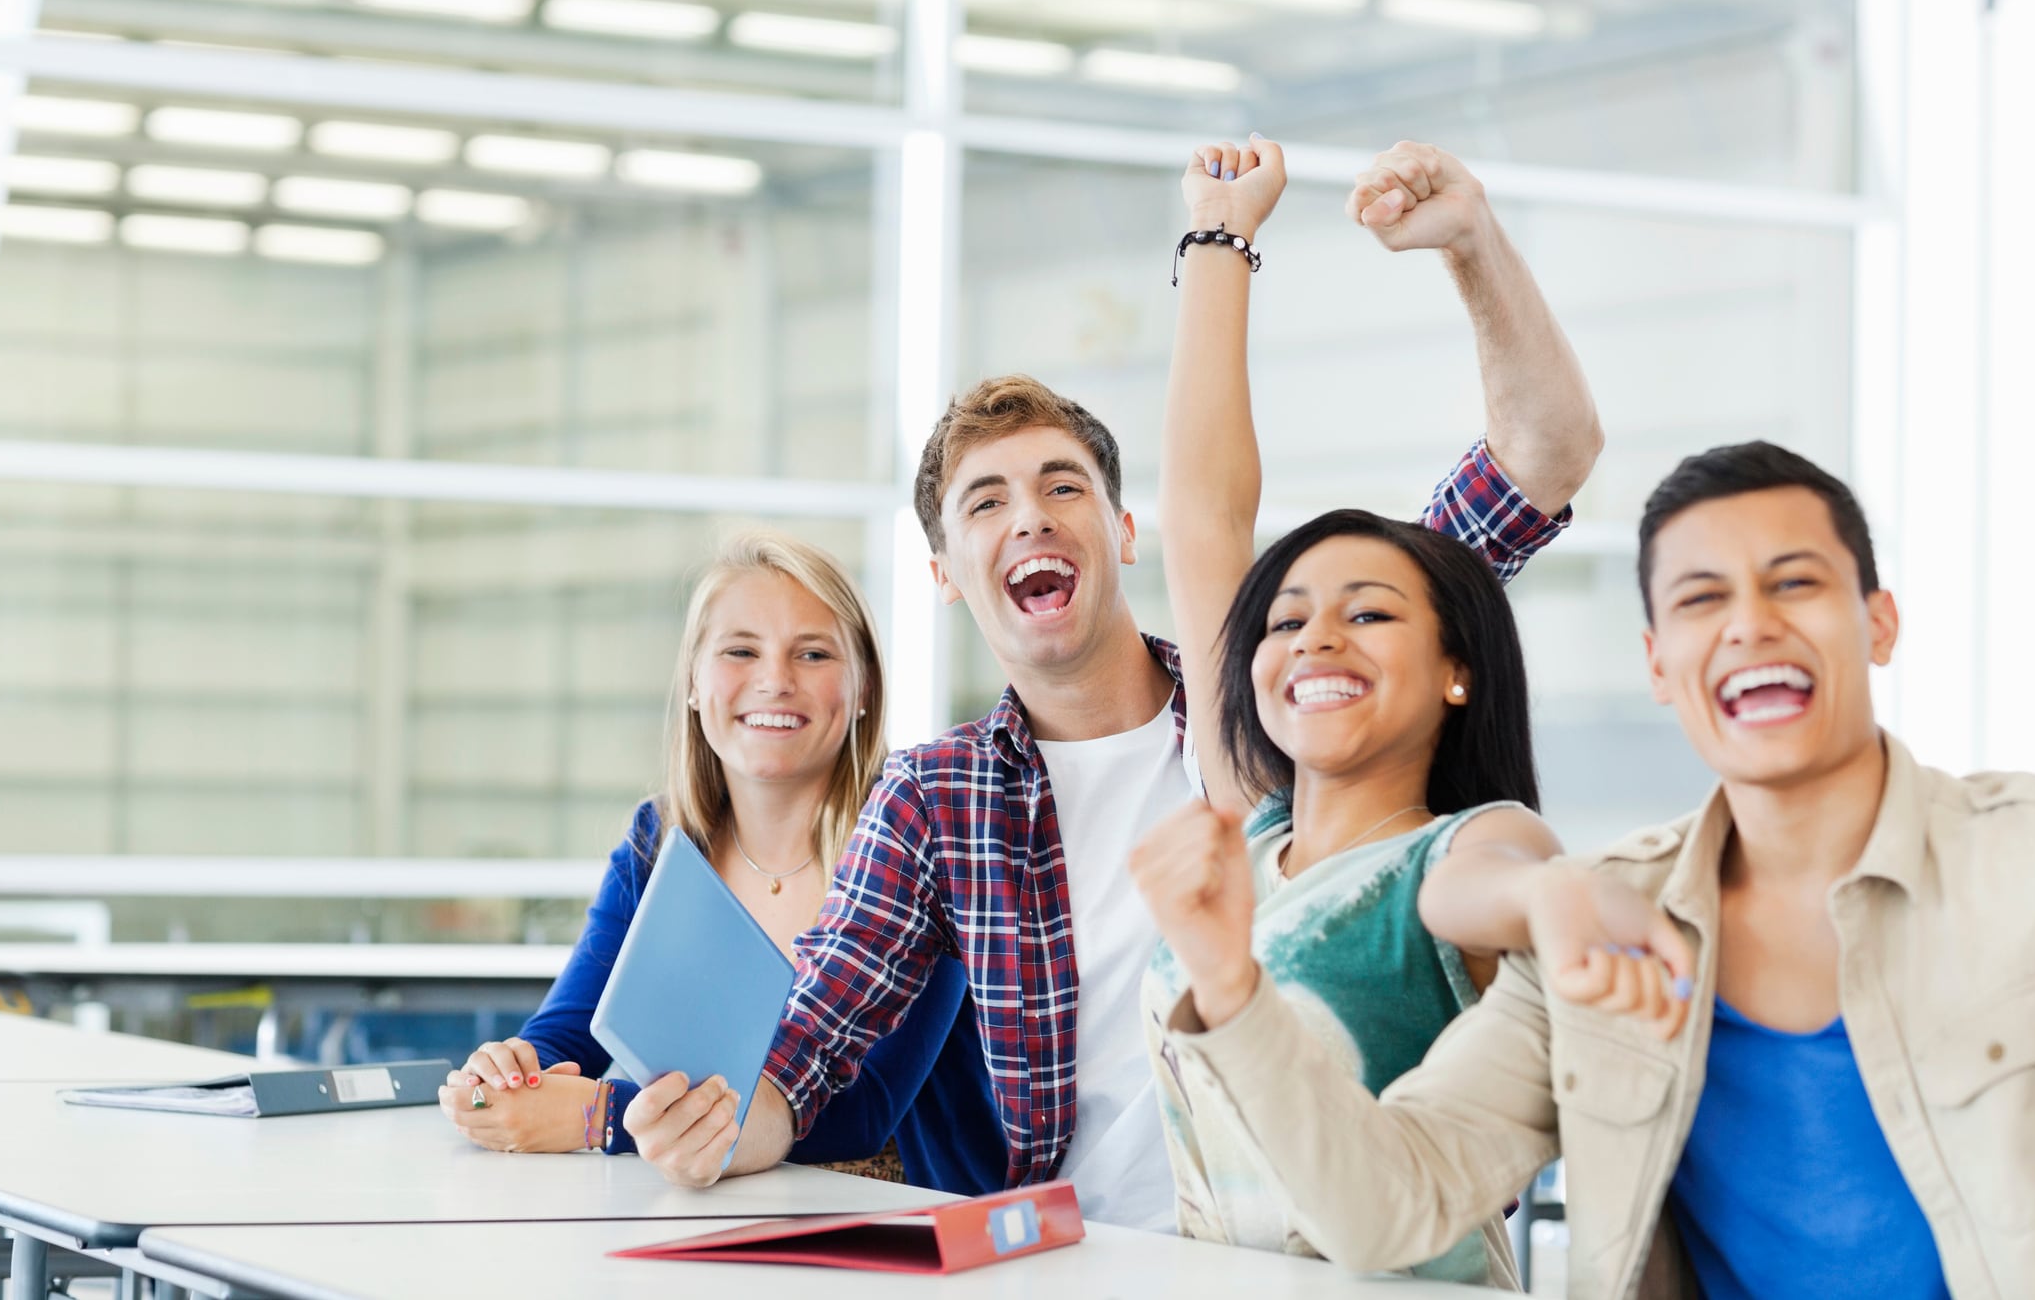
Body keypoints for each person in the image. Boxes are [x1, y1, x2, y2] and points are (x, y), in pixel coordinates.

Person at [617, 136, 1605, 1232]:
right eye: (986, 502)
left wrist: (1464, 244)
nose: (1029, 517)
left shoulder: (1286, 695)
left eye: (1062, 487)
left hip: (1326, 1248)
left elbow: (1535, 457)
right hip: (1080, 1261)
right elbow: (809, 1047)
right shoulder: (937, 798)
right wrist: (716, 1127)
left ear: (1126, 532)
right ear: (944, 574)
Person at [1144, 441, 2035, 1300]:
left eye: (1793, 584)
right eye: (1701, 599)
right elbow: (1389, 1208)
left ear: (1880, 624)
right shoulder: (1602, 922)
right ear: (1656, 663)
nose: (1748, 625)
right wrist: (1228, 986)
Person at [1125, 135, 1610, 1282]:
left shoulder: (1460, 848)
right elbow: (1201, 518)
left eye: (1369, 613)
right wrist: (1219, 236)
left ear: (1455, 669)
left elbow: (1491, 888)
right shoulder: (1255, 827)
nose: (1314, 637)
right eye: (1285, 618)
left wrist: (1554, 899)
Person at [433, 533, 1004, 1195]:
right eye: (740, 651)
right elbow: (570, 1033)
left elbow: (862, 1113)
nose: (775, 681)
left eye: (812, 654)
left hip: (907, 1221)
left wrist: (601, 1117)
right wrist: (510, 1073)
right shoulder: (658, 840)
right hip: (715, 1210)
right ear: (694, 683)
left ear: (864, 688)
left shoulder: (919, 838)